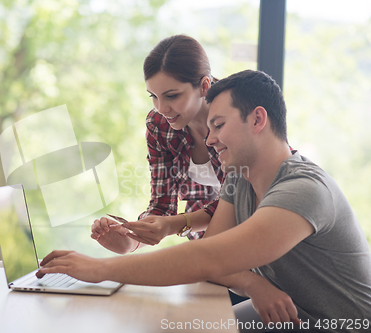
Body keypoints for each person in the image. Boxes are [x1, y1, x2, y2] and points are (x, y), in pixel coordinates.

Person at [38, 70, 371, 332]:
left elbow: (206, 258)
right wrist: (252, 282)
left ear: (257, 120)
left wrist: (99, 269)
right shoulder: (239, 176)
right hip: (291, 317)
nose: (209, 140)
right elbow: (214, 259)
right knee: (167, 325)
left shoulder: (303, 189)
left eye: (219, 125)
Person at [91, 34, 225, 255]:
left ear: (204, 86)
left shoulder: (237, 116)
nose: (162, 108)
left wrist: (174, 225)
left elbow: (237, 203)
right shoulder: (159, 125)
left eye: (172, 96)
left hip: (259, 240)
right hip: (210, 249)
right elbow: (163, 205)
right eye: (153, 96)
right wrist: (131, 237)